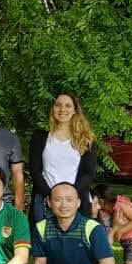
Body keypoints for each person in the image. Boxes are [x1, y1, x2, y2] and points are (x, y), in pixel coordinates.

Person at [29, 92, 98, 221]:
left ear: (74, 111)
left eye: (68, 106)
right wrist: (52, 196)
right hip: (45, 201)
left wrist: (69, 197)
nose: (62, 109)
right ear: (53, 109)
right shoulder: (40, 137)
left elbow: (89, 174)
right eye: (58, 105)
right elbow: (35, 171)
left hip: (75, 202)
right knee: (42, 240)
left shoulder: (86, 140)